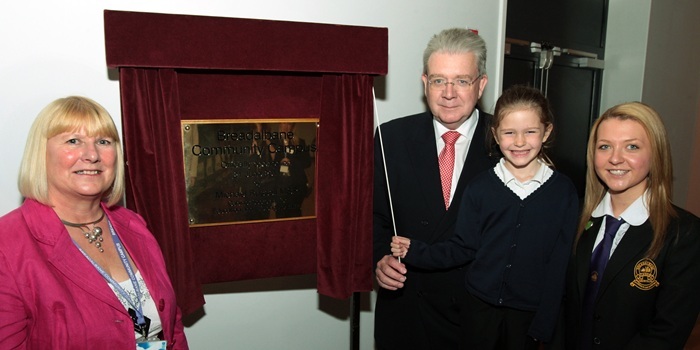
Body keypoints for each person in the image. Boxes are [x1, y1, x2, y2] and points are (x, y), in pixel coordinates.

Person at [391, 85, 579, 349]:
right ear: (495, 134)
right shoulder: (480, 188)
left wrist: (545, 324)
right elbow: (462, 247)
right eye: (509, 133)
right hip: (479, 316)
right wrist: (416, 251)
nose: (520, 142)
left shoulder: (563, 192)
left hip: (530, 318)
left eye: (530, 132)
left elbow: (560, 264)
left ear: (546, 132)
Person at [0, 96, 188, 349]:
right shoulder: (7, 243)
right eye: (73, 141)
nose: (92, 155)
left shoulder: (133, 225)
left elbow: (172, 328)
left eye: (103, 141)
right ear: (40, 154)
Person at [373, 28, 495, 349]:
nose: (449, 93)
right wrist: (380, 259)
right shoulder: (391, 138)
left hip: (478, 320)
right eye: (439, 80)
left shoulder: (507, 142)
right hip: (406, 315)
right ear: (425, 83)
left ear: (481, 85)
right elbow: (373, 217)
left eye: (462, 81)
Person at [562, 102, 700, 349]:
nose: (615, 158)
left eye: (632, 147)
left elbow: (668, 332)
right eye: (605, 146)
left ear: (656, 154)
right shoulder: (574, 216)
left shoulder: (684, 234)